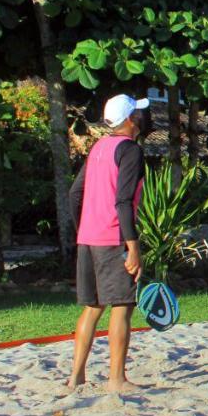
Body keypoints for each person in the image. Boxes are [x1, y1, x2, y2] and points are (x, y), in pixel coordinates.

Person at [67, 94, 151, 394]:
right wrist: (133, 246)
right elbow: (124, 201)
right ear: (130, 120)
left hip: (88, 238)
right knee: (122, 306)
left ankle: (76, 377)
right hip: (113, 237)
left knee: (92, 307)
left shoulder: (98, 148)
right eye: (138, 113)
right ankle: (116, 379)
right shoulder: (130, 150)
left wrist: (85, 228)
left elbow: (75, 195)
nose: (143, 117)